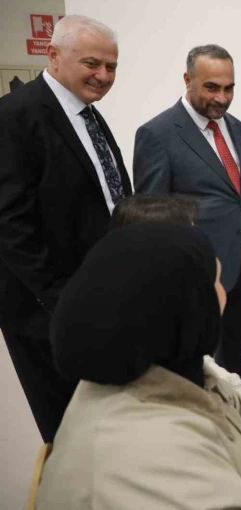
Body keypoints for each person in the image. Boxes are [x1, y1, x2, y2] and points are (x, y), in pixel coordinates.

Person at [36, 223, 241, 510]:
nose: (223, 293)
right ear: (183, 307)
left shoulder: (176, 365)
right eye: (215, 281)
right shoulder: (142, 459)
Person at [0, 15, 132, 443]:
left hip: (98, 296)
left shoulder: (87, 115)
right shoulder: (15, 116)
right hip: (48, 311)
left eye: (111, 67)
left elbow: (107, 195)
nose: (104, 76)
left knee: (104, 416)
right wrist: (62, 299)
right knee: (70, 431)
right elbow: (10, 225)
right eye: (92, 63)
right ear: (53, 55)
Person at [133, 44, 241, 379]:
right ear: (187, 80)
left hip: (239, 268)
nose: (222, 98)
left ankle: (236, 416)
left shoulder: (236, 127)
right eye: (211, 87)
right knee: (198, 367)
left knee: (233, 361)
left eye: (229, 88)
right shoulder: (157, 134)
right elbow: (150, 216)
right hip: (195, 276)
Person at [109, 194, 241, 436]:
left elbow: (202, 364)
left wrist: (236, 384)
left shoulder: (149, 300)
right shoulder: (145, 330)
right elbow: (202, 413)